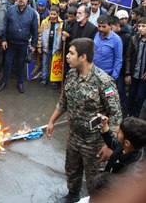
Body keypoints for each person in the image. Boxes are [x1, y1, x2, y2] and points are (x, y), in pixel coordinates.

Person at [46, 38, 122, 203]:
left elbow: (116, 115)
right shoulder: (71, 75)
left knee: (95, 181)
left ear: (83, 57)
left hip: (95, 143)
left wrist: (111, 146)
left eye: (71, 53)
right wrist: (51, 121)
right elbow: (63, 102)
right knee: (72, 170)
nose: (67, 56)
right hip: (74, 137)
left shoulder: (104, 81)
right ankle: (72, 195)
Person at [0, 0, 38, 93]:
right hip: (10, 43)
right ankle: (4, 81)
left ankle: (20, 83)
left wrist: (33, 44)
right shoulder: (10, 10)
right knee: (7, 63)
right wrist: (4, 40)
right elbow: (5, 26)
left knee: (21, 64)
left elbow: (35, 30)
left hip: (23, 44)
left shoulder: (32, 13)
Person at [38, 5, 64, 88]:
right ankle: (44, 78)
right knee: (45, 64)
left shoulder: (61, 24)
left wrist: (60, 48)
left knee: (55, 65)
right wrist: (39, 46)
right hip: (46, 46)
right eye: (51, 14)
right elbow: (40, 34)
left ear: (58, 14)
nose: (52, 16)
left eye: (54, 14)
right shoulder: (44, 22)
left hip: (56, 48)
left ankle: (54, 81)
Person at [126, 17, 146, 117]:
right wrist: (128, 73)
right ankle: (130, 115)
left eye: (143, 26)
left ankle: (138, 117)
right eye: (139, 26)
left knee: (140, 96)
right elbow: (128, 57)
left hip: (143, 76)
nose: (141, 28)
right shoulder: (134, 39)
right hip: (134, 73)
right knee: (131, 95)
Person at [93, 15, 123, 80]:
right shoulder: (97, 34)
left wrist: (113, 77)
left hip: (107, 76)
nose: (101, 29)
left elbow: (118, 59)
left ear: (110, 26)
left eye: (104, 26)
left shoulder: (116, 39)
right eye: (99, 26)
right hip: (93, 73)